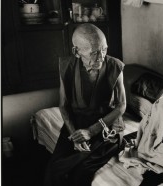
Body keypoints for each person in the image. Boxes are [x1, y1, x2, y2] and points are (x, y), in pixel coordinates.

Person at [44, 23, 126, 186]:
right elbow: (64, 105)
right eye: (95, 52)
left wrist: (91, 130)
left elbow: (121, 106)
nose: (102, 56)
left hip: (106, 125)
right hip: (76, 122)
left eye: (104, 49)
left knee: (82, 170)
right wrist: (75, 135)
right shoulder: (66, 66)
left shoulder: (115, 66)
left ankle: (117, 143)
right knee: (54, 169)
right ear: (76, 51)